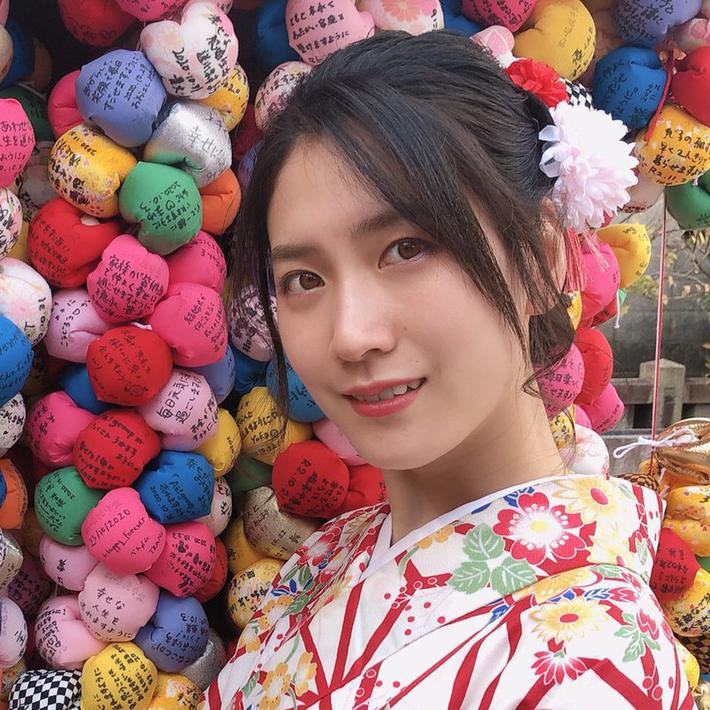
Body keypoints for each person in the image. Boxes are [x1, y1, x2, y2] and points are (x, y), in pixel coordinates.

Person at [205, 31, 693, 709]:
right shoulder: (339, 551)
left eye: (407, 248)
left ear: (542, 260)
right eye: (304, 278)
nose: (350, 335)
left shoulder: (588, 671)